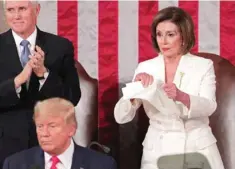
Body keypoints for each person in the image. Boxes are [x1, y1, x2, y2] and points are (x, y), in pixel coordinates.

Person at [114, 6, 224, 169]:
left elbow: (209, 106)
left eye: (170, 34)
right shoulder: (146, 68)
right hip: (158, 150)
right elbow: (121, 117)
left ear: (184, 36)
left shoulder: (203, 66)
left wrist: (183, 97)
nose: (163, 41)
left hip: (196, 148)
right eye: (159, 34)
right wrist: (134, 92)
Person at [0, 0, 81, 167]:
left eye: (22, 9)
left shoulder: (60, 46)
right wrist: (17, 81)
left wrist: (44, 74)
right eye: (10, 10)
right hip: (4, 144)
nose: (16, 16)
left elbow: (72, 97)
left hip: (49, 142)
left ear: (37, 10)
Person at [3, 98, 117, 169]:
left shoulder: (102, 165)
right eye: (40, 126)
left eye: (52, 126)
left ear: (71, 129)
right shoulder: (14, 164)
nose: (44, 133)